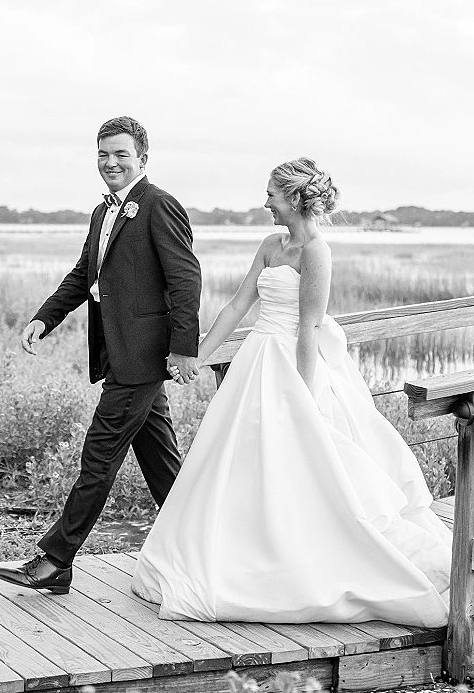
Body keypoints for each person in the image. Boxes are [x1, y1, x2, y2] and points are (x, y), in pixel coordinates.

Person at [132, 158, 451, 628]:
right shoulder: (269, 244)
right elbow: (240, 303)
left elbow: (308, 327)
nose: (265, 203)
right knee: (238, 461)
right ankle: (240, 546)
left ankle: (297, 558)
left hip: (290, 364)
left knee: (301, 462)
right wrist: (198, 354)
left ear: (296, 199)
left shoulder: (316, 252)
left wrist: (305, 394)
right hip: (255, 360)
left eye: (272, 195)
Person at [0, 116, 201, 594]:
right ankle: (205, 545)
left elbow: (186, 279)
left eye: (120, 154)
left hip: (142, 357)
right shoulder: (102, 211)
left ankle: (56, 560)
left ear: (142, 159)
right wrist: (44, 319)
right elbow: (84, 274)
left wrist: (182, 350)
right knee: (162, 462)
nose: (110, 163)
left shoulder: (158, 205)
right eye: (103, 154)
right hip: (120, 353)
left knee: (99, 455)